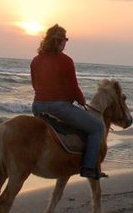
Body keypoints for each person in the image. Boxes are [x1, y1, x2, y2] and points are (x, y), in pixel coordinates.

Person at [30, 24, 105, 180]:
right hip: (59, 107)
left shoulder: (36, 60)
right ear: (60, 41)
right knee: (97, 128)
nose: (65, 43)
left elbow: (35, 85)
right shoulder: (66, 61)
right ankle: (88, 167)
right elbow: (73, 87)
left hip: (37, 107)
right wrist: (82, 101)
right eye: (65, 40)